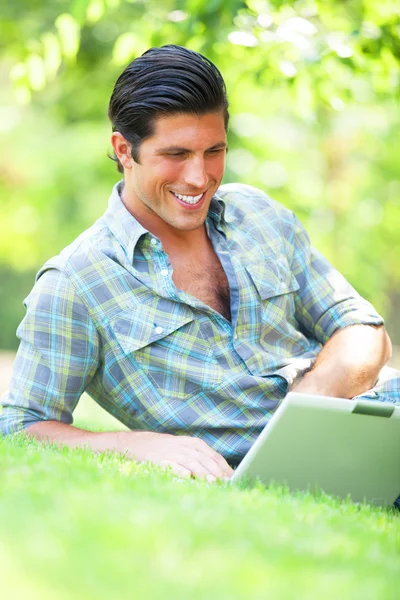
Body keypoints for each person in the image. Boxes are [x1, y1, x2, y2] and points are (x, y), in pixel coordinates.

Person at [1, 45, 399, 483]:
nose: (199, 177)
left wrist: (309, 405)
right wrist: (137, 443)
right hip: (291, 472)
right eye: (176, 154)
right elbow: (22, 425)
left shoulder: (259, 215)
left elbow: (363, 328)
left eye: (214, 151)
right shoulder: (76, 282)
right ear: (123, 150)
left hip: (374, 415)